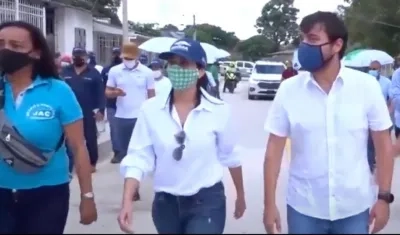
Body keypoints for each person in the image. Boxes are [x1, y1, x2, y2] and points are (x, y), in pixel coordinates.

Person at [263, 12, 393, 234]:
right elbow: (273, 152)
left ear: (336, 45)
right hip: (304, 208)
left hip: (353, 209)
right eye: (303, 39)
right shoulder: (289, 90)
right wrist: (268, 205)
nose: (304, 46)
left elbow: (383, 145)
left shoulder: (366, 87)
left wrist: (383, 197)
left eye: (312, 40)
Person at [118, 38, 246, 234]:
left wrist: (240, 195)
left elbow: (230, 156)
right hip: (166, 203)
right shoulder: (150, 109)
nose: (177, 68)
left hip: (207, 201)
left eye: (184, 63)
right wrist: (127, 201)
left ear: (200, 70)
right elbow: (138, 157)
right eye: (173, 63)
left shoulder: (219, 111)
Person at [0, 21, 97, 234]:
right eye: (1, 44)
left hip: (47, 195)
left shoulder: (58, 90)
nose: (5, 50)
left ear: (35, 53)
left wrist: (87, 196)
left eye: (15, 45)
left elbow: (79, 147)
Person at [105, 42, 155, 164]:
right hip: (121, 117)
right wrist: (116, 93)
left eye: (130, 58)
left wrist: (152, 115)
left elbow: (151, 95)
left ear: (137, 57)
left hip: (140, 116)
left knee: (140, 151)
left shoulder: (147, 72)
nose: (128, 60)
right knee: (124, 152)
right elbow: (107, 92)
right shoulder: (115, 71)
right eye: (126, 58)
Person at [60, 47, 105, 173]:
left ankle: (92, 163)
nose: (78, 58)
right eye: (76, 55)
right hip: (67, 111)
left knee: (90, 138)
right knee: (67, 139)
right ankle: (69, 164)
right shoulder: (65, 71)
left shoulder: (93, 72)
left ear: (85, 57)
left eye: (81, 55)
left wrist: (101, 110)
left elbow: (100, 92)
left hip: (88, 111)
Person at [367, 60, 392, 173]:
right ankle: (370, 167)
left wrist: (387, 113)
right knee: (369, 145)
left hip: (383, 118)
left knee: (381, 145)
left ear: (380, 70)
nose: (373, 71)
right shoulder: (364, 82)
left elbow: (391, 99)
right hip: (367, 118)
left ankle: (381, 164)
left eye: (376, 69)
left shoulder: (386, 82)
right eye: (372, 69)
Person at [101, 47, 122, 162]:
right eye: (114, 54)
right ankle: (117, 152)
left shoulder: (126, 70)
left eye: (118, 54)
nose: (116, 56)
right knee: (114, 129)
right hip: (111, 104)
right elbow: (102, 87)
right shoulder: (106, 70)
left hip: (125, 104)